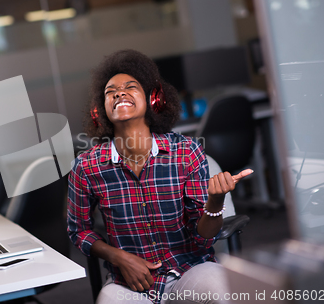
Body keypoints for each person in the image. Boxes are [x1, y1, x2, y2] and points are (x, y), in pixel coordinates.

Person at [67, 49, 252, 304]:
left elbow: (204, 236)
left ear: (153, 100)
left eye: (130, 87)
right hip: (129, 282)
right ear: (101, 110)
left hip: (190, 268)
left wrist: (215, 202)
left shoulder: (187, 152)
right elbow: (79, 231)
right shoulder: (86, 167)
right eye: (111, 92)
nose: (119, 93)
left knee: (227, 292)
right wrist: (119, 257)